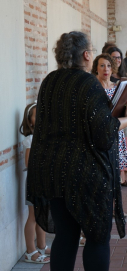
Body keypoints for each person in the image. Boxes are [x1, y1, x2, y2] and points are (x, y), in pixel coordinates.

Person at [26, 31, 127, 271]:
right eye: (92, 52)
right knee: (96, 238)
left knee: (65, 237)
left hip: (54, 173)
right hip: (87, 176)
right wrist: (125, 119)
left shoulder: (49, 81)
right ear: (86, 55)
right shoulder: (88, 83)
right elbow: (105, 134)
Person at [93, 53, 127, 187]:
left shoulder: (117, 88)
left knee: (115, 166)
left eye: (109, 66)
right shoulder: (92, 88)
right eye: (102, 65)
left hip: (116, 130)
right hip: (98, 132)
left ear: (113, 69)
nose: (106, 69)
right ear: (96, 68)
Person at [19, 102, 51, 264]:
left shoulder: (46, 137)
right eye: (36, 116)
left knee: (42, 215)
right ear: (30, 121)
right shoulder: (31, 139)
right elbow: (28, 163)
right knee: (33, 216)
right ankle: (30, 251)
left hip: (44, 182)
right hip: (35, 181)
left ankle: (42, 246)